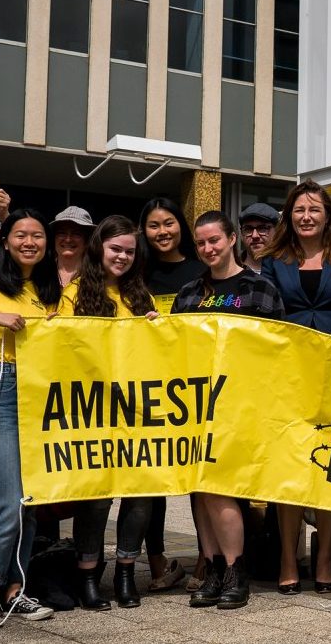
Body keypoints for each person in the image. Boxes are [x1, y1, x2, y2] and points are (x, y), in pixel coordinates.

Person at [174, 211, 284, 610]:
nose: (208, 249)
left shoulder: (261, 289)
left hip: (242, 404)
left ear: (232, 239)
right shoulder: (189, 293)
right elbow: (173, 349)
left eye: (215, 241)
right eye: (201, 243)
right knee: (200, 487)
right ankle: (215, 568)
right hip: (194, 405)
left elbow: (278, 350)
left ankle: (237, 571)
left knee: (221, 487)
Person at [0, 208, 62, 628]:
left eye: (37, 236)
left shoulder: (51, 288)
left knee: (28, 500)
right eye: (21, 235)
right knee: (7, 498)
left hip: (43, 393)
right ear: (6, 241)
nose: (29, 242)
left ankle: (16, 588)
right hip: (0, 386)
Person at [57, 215, 158, 611]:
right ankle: (88, 575)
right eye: (116, 249)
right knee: (96, 499)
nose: (123, 257)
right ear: (99, 248)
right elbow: (63, 348)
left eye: (130, 251)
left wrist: (155, 328)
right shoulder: (75, 293)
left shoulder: (140, 296)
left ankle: (127, 572)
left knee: (140, 495)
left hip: (137, 411)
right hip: (94, 412)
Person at [261, 180, 331, 594]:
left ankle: (325, 558)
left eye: (314, 209)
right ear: (289, 216)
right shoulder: (273, 261)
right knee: (290, 466)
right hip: (289, 375)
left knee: (330, 465)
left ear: (327, 215)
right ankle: (287, 557)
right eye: (299, 210)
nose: (306, 216)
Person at [134, 197, 199, 591]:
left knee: (197, 474)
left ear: (181, 227)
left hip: (191, 387)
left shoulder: (199, 270)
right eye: (154, 225)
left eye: (169, 223)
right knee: (150, 480)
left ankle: (207, 562)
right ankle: (157, 563)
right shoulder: (134, 271)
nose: (162, 232)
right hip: (144, 388)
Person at [52, 206, 95, 288]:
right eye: (62, 233)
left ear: (87, 241)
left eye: (76, 234)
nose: (68, 239)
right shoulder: (41, 272)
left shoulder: (97, 276)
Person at [236, 202, 278, 273]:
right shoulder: (230, 270)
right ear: (241, 234)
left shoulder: (289, 269)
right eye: (248, 229)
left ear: (276, 232)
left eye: (262, 228)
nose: (255, 236)